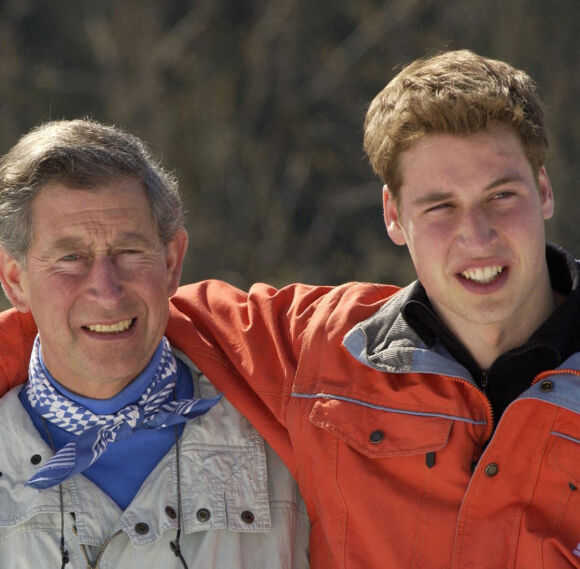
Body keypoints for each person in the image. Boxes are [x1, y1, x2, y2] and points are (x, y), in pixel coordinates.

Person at [2, 49, 580, 568]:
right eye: (439, 206)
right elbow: (97, 324)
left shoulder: (303, 371)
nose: (476, 236)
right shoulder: (325, 356)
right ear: (393, 215)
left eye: (501, 195)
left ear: (544, 190)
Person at [0, 119, 310, 568]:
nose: (106, 290)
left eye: (129, 251)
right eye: (71, 258)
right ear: (16, 280)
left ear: (171, 262)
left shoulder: (287, 442)